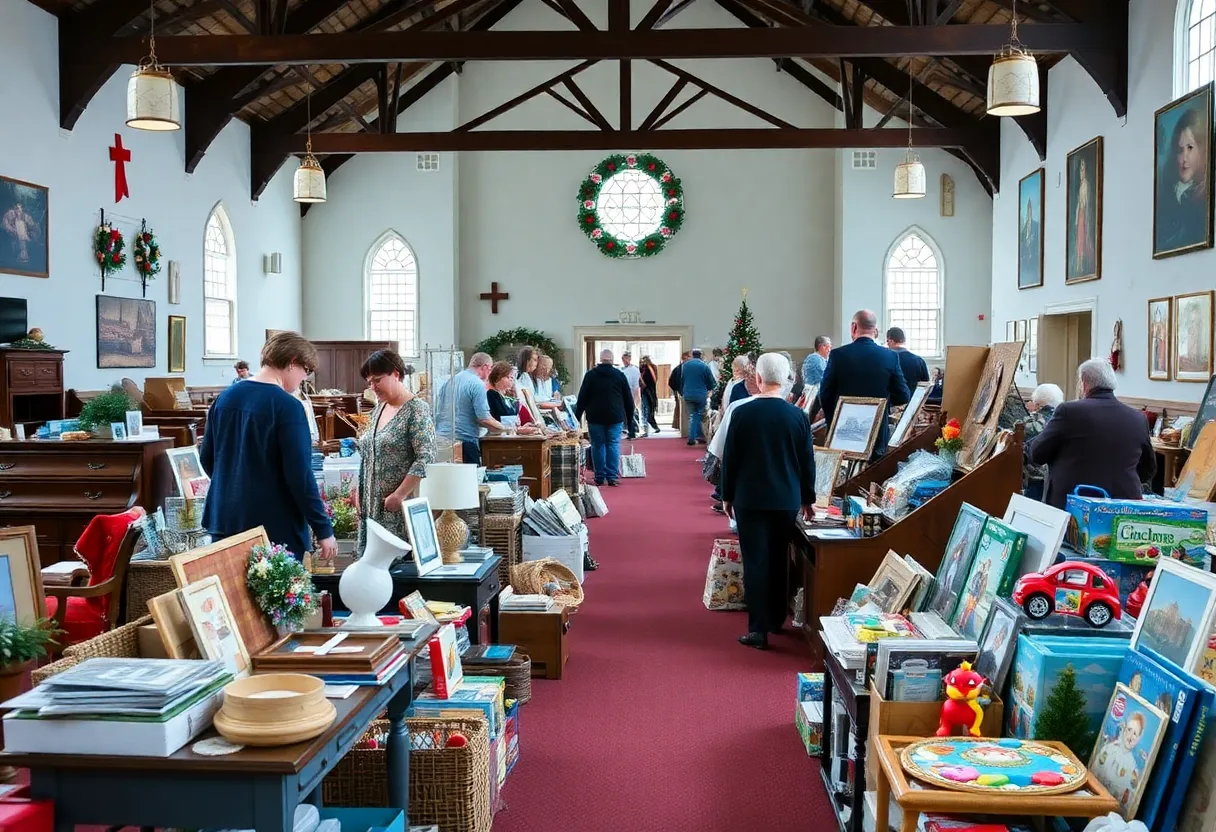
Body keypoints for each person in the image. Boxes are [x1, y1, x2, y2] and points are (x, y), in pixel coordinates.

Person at [200, 332, 336, 561]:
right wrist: (323, 529)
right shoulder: (288, 407)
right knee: (277, 597)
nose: (304, 379)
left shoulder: (225, 398)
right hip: (273, 528)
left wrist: (236, 487)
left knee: (230, 596)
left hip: (224, 521)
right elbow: (300, 476)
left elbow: (207, 458)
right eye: (306, 371)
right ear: (293, 362)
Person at [720, 353, 815, 650]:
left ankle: (758, 629)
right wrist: (807, 498)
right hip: (785, 499)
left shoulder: (742, 414)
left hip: (750, 499)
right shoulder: (797, 416)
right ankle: (776, 619)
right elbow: (806, 463)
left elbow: (730, 459)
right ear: (787, 380)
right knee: (778, 560)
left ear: (757, 380)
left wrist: (726, 495)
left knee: (755, 561)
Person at [1029, 358, 1155, 510]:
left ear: (1084, 382)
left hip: (1075, 508)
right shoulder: (1138, 418)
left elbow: (1037, 453)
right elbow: (1149, 468)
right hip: (1122, 508)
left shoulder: (1069, 411)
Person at [352, 350, 436, 555]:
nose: (373, 387)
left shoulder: (417, 409)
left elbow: (425, 457)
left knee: (393, 571)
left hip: (395, 510)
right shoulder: (379, 409)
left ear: (396, 374)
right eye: (369, 382)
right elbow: (367, 453)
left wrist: (399, 495)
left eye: (377, 380)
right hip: (370, 508)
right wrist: (357, 487)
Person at [820, 309, 911, 458]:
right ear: (875, 330)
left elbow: (825, 394)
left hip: (843, 432)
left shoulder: (838, 355)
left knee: (844, 476)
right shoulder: (890, 356)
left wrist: (834, 422)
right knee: (872, 475)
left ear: (853, 327)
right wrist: (882, 405)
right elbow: (904, 395)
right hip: (876, 433)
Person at [434, 353, 509, 465]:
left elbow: (438, 411)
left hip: (442, 441)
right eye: (490, 368)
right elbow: (484, 418)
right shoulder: (477, 384)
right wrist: (506, 428)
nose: (490, 373)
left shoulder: (450, 381)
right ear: (484, 367)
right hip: (465, 442)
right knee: (470, 480)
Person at [574, 349, 634, 487]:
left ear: (600, 360)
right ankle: (612, 477)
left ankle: (599, 477)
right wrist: (630, 422)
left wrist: (576, 418)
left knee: (597, 445)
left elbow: (582, 397)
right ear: (612, 360)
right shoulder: (619, 375)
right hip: (615, 416)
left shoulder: (590, 375)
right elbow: (628, 400)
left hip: (595, 416)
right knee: (613, 444)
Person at [1156, 105, 1209, 254]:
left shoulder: (1201, 198)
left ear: (1202, 150)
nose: (1184, 158)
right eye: (1180, 150)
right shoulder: (1170, 194)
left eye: (1190, 148)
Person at [1022, 383, 1063, 502]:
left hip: (1033, 478)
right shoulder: (1065, 419)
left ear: (1037, 404)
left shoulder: (1028, 423)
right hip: (1056, 478)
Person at [485, 360, 540, 431]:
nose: (511, 380)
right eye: (509, 377)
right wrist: (518, 429)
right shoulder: (491, 395)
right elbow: (497, 419)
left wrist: (521, 427)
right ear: (498, 377)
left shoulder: (504, 397)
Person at [679, 348, 717, 446]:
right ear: (700, 355)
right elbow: (711, 382)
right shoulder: (704, 366)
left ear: (692, 355)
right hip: (700, 394)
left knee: (693, 415)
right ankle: (694, 437)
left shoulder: (685, 366)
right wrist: (710, 389)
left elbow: (681, 379)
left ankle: (696, 436)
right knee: (698, 415)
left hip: (687, 394)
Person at [620, 351, 642, 440]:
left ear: (629, 359)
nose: (624, 360)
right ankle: (629, 431)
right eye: (623, 359)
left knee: (631, 413)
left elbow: (636, 385)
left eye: (626, 359)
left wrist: (636, 397)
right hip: (623, 394)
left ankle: (633, 432)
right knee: (626, 414)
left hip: (631, 393)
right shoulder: (621, 369)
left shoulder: (634, 370)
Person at [638, 355, 661, 436]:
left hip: (649, 391)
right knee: (647, 409)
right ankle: (648, 428)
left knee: (648, 410)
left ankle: (649, 427)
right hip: (647, 391)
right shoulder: (643, 368)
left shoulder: (650, 368)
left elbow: (654, 379)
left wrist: (648, 367)